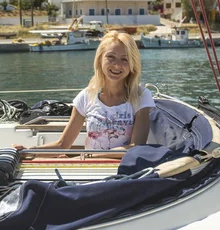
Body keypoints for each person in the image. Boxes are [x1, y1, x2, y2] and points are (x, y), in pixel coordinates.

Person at [14, 31, 155, 153]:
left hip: (125, 170)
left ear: (132, 65)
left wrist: (92, 155)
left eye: (124, 59)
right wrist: (27, 150)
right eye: (110, 57)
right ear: (100, 59)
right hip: (91, 168)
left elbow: (137, 146)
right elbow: (63, 145)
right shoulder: (86, 96)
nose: (117, 64)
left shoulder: (141, 96)